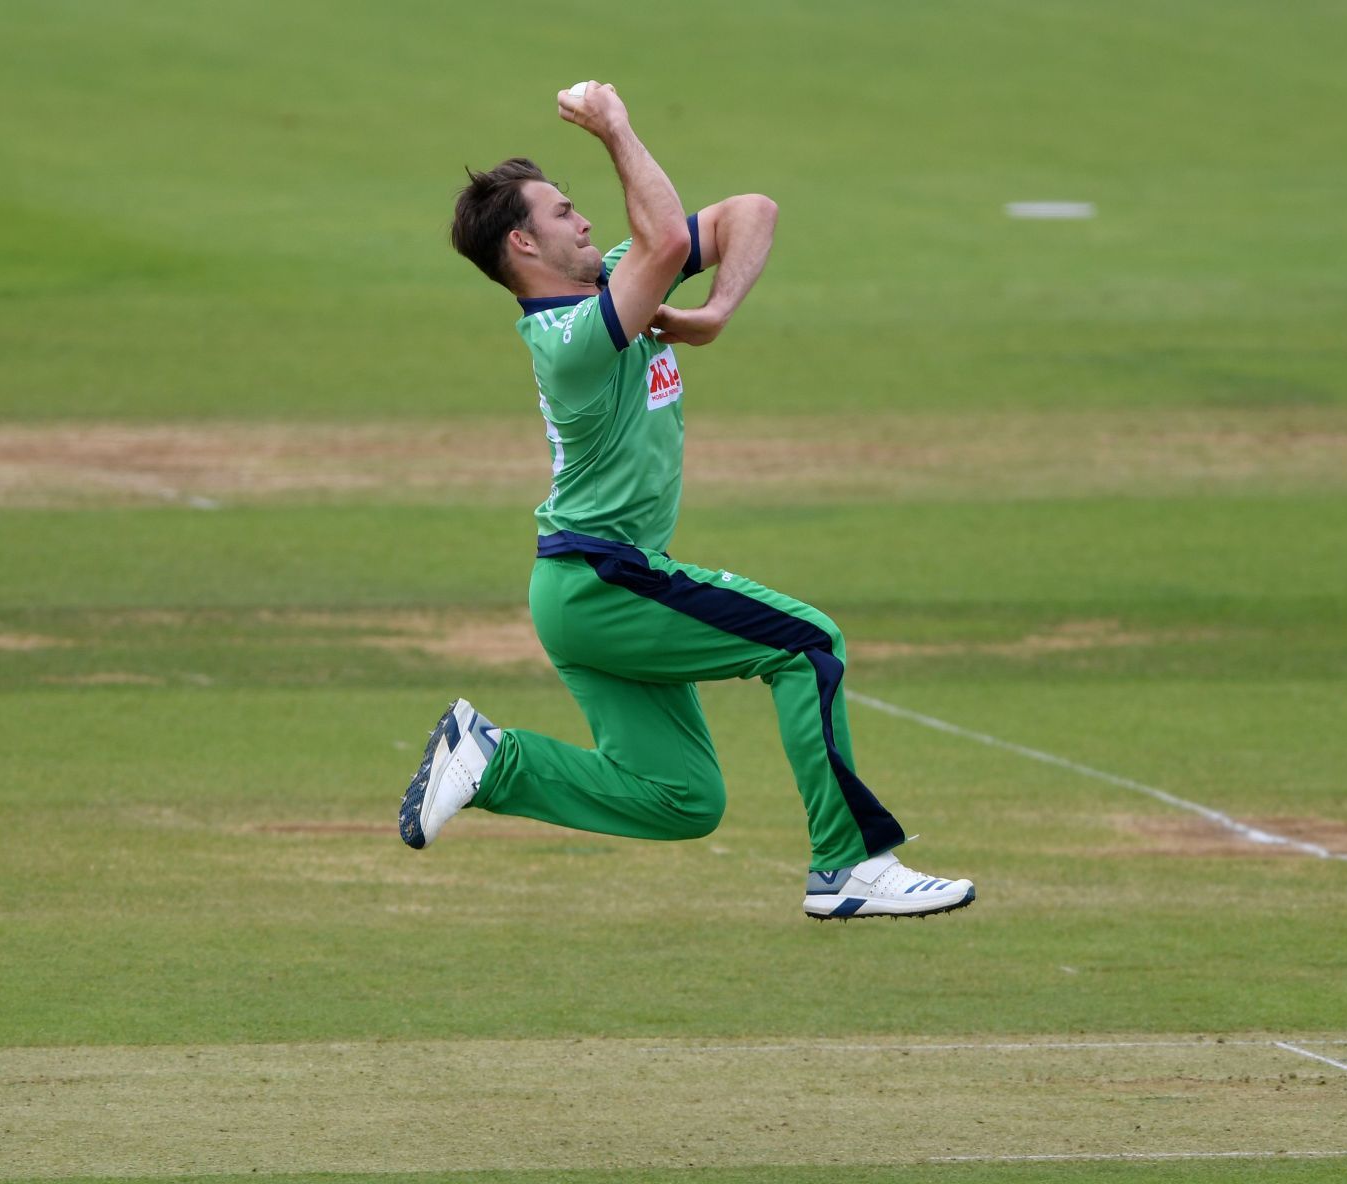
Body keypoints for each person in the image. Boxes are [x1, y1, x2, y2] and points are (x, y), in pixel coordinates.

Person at [398, 81, 974, 921]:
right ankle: (847, 867)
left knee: (681, 798)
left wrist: (715, 311)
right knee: (809, 644)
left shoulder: (612, 304)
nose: (586, 220)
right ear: (523, 243)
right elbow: (664, 235)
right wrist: (615, 127)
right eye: (564, 213)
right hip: (601, 579)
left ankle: (493, 761)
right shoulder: (569, 339)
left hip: (586, 590)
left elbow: (752, 211)